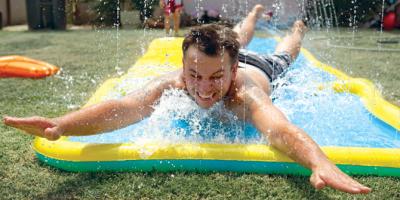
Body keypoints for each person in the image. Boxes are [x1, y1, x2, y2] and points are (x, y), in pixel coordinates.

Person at [3, 5, 371, 194]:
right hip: (230, 51)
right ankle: (254, 16)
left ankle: (296, 29)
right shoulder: (177, 81)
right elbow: (127, 108)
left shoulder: (245, 93)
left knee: (285, 55)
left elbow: (280, 130)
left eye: (215, 78)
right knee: (236, 36)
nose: (204, 89)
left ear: (229, 73)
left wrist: (318, 161)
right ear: (182, 67)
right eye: (194, 75)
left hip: (263, 66)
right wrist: (61, 126)